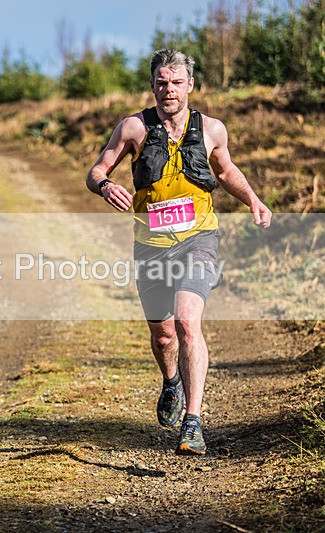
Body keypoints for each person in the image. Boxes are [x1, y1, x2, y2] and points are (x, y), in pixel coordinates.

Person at [86, 49, 272, 455]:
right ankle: (170, 380)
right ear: (153, 85)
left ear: (190, 85)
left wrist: (254, 200)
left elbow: (226, 172)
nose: (166, 89)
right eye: (160, 82)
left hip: (198, 239)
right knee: (164, 333)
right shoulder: (133, 127)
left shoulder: (212, 129)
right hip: (150, 246)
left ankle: (193, 420)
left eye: (174, 82)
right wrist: (105, 186)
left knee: (188, 323)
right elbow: (98, 169)